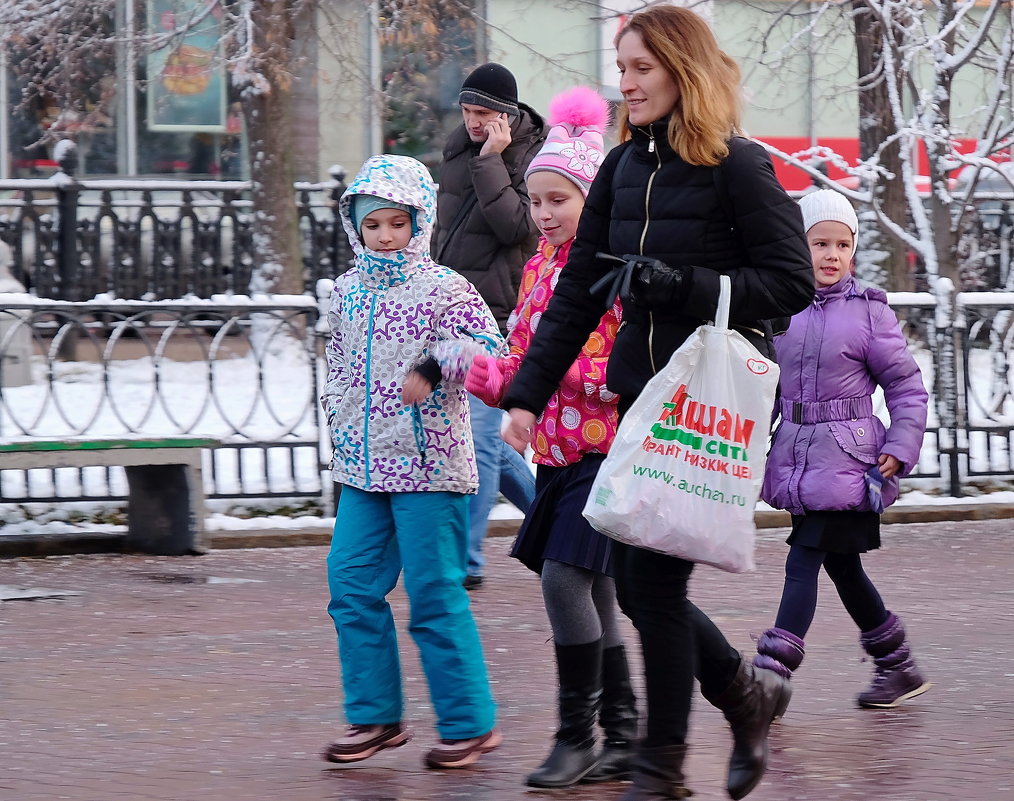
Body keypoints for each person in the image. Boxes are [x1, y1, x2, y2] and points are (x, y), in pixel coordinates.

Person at [499, 6, 814, 800]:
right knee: (643, 587)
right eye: (622, 67)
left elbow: (793, 282)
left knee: (652, 588)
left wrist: (689, 286)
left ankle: (660, 768)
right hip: (641, 399)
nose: (626, 83)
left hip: (705, 402)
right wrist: (527, 393)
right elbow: (574, 293)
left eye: (641, 68)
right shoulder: (618, 170)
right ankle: (745, 698)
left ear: (683, 71)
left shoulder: (737, 166)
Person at [465, 86, 637, 789]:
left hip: (608, 447)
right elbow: (530, 352)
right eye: (535, 201)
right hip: (559, 450)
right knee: (590, 588)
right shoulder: (539, 263)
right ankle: (621, 733)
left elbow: (616, 362)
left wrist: (553, 381)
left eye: (558, 201)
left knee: (569, 577)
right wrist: (489, 375)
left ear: (590, 202)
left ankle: (577, 736)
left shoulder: (606, 266)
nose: (543, 214)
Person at [320, 154, 503, 771]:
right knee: (349, 585)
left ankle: (469, 723)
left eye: (397, 223)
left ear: (418, 222)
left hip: (431, 469)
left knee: (433, 595)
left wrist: (434, 367)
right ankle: (375, 715)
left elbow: (486, 349)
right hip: (364, 472)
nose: (385, 236)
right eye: (373, 225)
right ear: (356, 227)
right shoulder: (345, 293)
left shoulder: (444, 287)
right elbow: (339, 368)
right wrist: (341, 423)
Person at [753, 189, 931, 711]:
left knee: (804, 558)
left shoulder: (868, 311)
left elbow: (905, 385)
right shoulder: (778, 307)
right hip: (800, 455)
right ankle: (897, 666)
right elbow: (765, 383)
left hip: (856, 461)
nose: (832, 255)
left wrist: (901, 444)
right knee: (843, 566)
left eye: (842, 245)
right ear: (797, 245)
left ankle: (771, 673)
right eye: (819, 243)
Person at [432, 62, 544, 590]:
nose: (474, 122)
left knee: (476, 441)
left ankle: (465, 563)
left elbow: (518, 227)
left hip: (495, 312)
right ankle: (553, 522)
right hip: (448, 306)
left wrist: (492, 160)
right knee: (484, 444)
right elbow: (444, 225)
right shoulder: (457, 148)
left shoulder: (529, 153)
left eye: (483, 114)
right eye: (468, 111)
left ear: (506, 114)